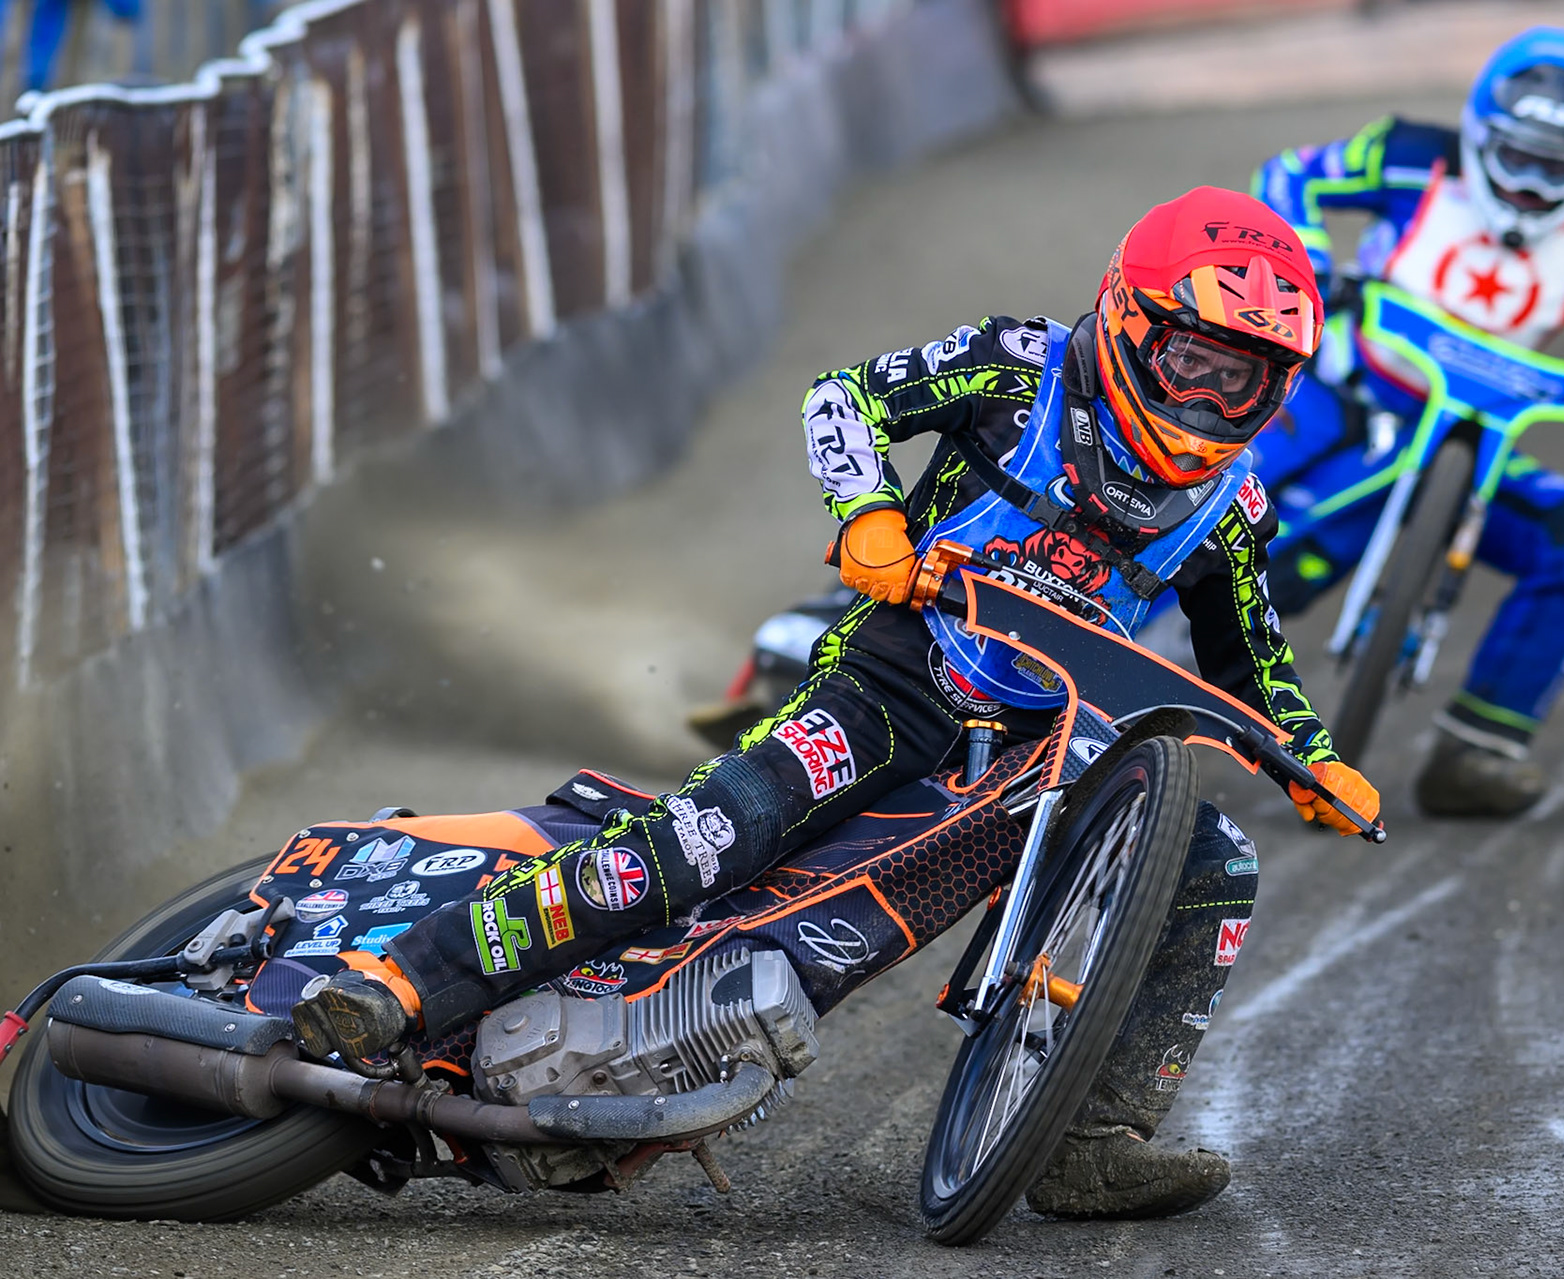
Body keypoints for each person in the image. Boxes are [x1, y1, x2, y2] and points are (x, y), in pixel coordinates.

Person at [290, 187, 1381, 1219]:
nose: (1206, 398)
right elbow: (843, 395)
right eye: (1190, 360)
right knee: (720, 834)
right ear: (1127, 317)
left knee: (1216, 856)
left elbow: (1254, 669)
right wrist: (868, 512)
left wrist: (1314, 756)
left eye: (1241, 381)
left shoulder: (1233, 508)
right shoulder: (1018, 366)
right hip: (898, 677)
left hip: (1045, 746)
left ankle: (1092, 1138)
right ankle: (408, 979)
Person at [1247, 26, 1564, 816]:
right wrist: (1314, 261)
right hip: (1343, 394)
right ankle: (1087, 651)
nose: (1532, 184)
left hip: (1483, 443)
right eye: (1518, 155)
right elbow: (1292, 174)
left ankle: (1479, 749)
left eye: (1557, 167)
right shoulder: (1406, 154)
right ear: (1479, 132)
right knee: (1205, 494)